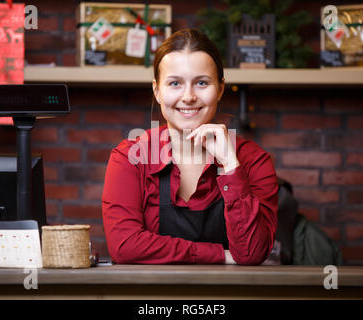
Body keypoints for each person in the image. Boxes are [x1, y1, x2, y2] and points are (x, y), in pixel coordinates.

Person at [102, 28, 278, 265]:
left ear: (220, 88)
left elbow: (252, 253)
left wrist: (230, 167)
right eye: (175, 83)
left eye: (202, 83)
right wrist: (220, 255)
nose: (188, 96)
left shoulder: (253, 160)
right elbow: (124, 247)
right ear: (157, 90)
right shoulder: (130, 157)